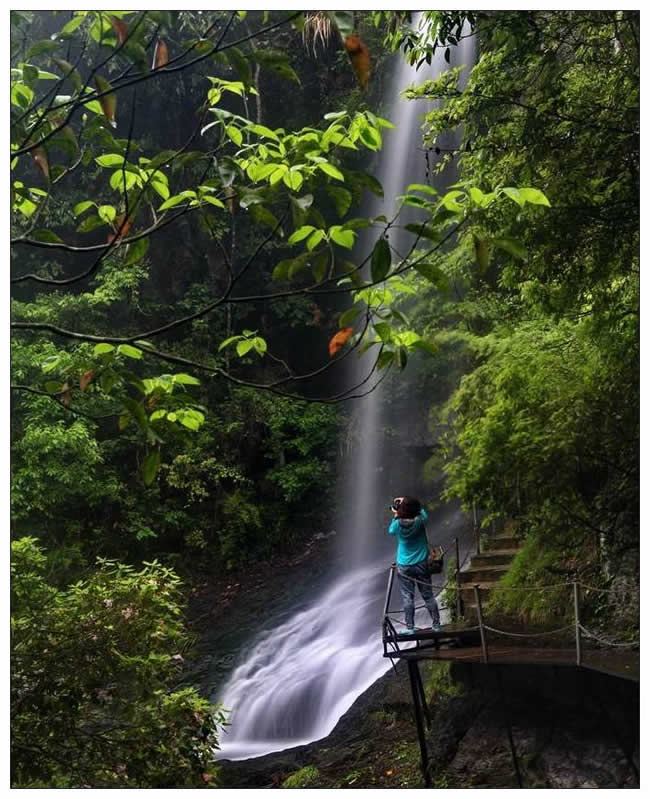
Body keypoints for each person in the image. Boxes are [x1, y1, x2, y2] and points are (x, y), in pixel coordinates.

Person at [388, 495, 441, 634]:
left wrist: (397, 513)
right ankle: (436, 625)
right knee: (428, 596)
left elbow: (391, 531)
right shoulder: (419, 521)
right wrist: (408, 502)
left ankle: (410, 628)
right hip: (421, 563)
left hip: (404, 564)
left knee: (407, 597)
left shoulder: (397, 524)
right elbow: (422, 512)